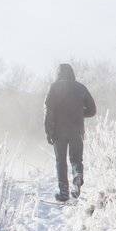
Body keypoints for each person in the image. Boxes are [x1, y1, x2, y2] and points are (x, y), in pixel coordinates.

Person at [43, 63, 96, 201]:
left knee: (61, 161)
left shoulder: (54, 87)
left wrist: (48, 132)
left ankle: (64, 193)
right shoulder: (80, 88)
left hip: (58, 131)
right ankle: (77, 176)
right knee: (76, 159)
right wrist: (78, 113)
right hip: (77, 131)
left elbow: (49, 111)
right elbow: (92, 110)